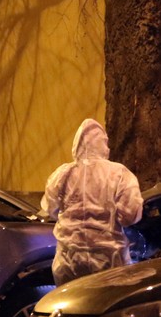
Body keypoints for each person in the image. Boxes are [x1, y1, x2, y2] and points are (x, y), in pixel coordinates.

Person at [42, 118, 144, 286]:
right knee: (106, 308)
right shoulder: (119, 174)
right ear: (101, 144)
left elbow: (50, 209)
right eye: (105, 143)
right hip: (108, 260)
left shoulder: (62, 174)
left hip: (68, 259)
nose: (108, 148)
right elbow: (130, 216)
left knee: (71, 309)